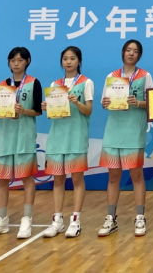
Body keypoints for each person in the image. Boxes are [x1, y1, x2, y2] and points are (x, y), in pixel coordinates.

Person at [0, 47, 43, 239]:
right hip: (5, 137)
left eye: (20, 60)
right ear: (8, 62)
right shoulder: (2, 85)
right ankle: (1, 220)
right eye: (13, 60)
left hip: (24, 137)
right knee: (2, 179)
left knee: (27, 178)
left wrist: (24, 111)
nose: (16, 64)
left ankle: (27, 218)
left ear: (27, 61)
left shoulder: (34, 83)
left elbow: (38, 111)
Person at [98, 40, 152, 237]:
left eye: (135, 51)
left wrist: (138, 102)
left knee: (136, 176)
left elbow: (152, 103)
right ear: (123, 53)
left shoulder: (145, 76)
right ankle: (111, 218)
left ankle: (140, 217)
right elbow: (104, 102)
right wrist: (105, 102)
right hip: (114, 132)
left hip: (133, 132)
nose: (131, 53)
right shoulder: (112, 76)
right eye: (128, 50)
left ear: (139, 55)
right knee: (113, 177)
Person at [42, 46, 93, 238]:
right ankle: (57, 221)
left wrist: (77, 102)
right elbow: (53, 113)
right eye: (65, 58)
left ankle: (75, 220)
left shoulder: (86, 82)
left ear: (79, 61)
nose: (69, 62)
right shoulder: (55, 84)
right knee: (58, 180)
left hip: (76, 138)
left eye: (72, 58)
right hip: (57, 138)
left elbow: (88, 111)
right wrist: (47, 107)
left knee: (77, 180)